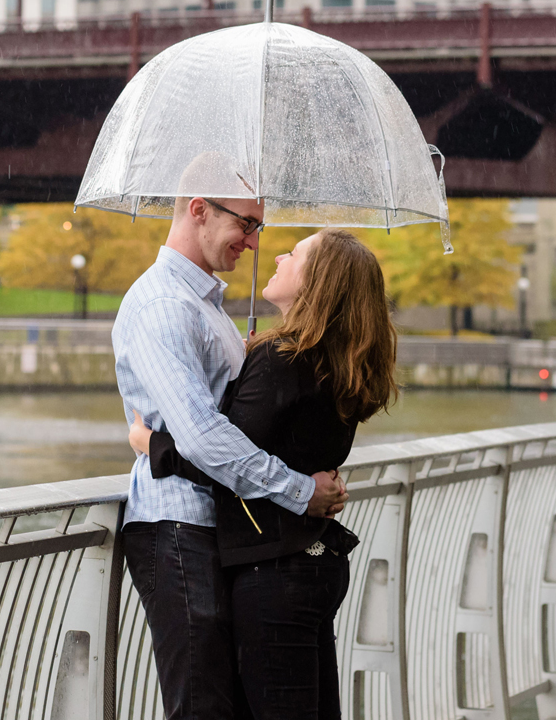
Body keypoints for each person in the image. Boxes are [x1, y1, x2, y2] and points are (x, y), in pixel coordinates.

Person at [129, 229, 398, 720]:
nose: (274, 252)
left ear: (318, 282)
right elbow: (278, 447)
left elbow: (223, 461)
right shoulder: (334, 363)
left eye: (293, 253)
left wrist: (155, 445)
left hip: (275, 570)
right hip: (315, 560)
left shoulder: (282, 361)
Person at [113, 173, 347, 720]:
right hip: (178, 528)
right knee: (204, 706)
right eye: (246, 224)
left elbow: (229, 427)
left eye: (258, 226)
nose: (254, 241)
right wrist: (297, 490)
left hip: (223, 528)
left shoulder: (209, 309)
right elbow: (201, 437)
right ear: (198, 209)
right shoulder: (161, 306)